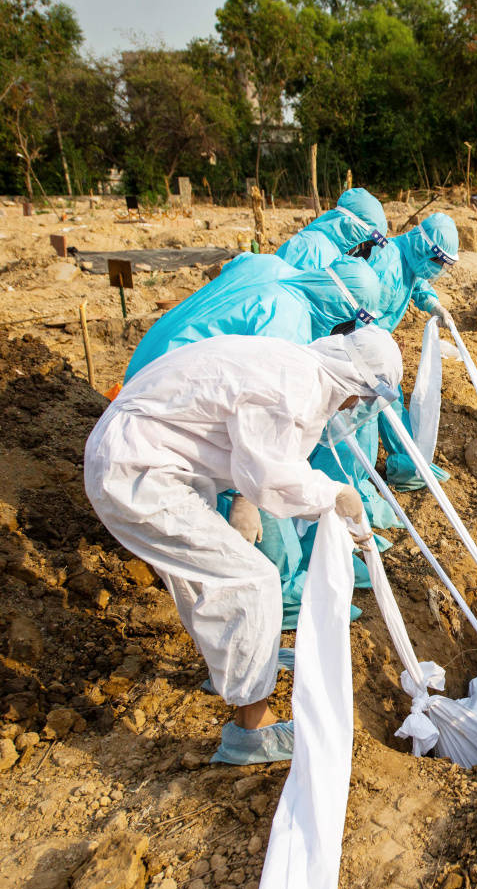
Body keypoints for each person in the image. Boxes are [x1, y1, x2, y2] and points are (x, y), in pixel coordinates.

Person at [85, 325, 402, 764]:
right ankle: (252, 730)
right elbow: (268, 476)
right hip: (139, 470)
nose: (356, 406)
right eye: (362, 397)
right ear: (352, 380)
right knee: (251, 580)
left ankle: (237, 664)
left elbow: (257, 455)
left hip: (150, 458)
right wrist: (330, 494)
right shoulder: (294, 389)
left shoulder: (296, 368)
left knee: (208, 580)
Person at [124, 254, 397, 629]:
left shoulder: (277, 272)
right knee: (255, 507)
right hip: (171, 410)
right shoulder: (286, 322)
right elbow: (261, 444)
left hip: (161, 375)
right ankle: (281, 590)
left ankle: (281, 578)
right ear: (343, 304)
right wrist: (243, 497)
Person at [362, 211, 459, 490]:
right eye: (438, 261)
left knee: (390, 401)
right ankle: (360, 480)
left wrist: (433, 304)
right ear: (424, 247)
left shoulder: (409, 260)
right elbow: (361, 315)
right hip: (363, 347)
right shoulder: (387, 266)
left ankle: (406, 461)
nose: (439, 269)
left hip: (378, 347)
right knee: (368, 415)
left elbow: (418, 284)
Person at [274, 187, 389, 271]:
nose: (364, 254)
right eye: (366, 245)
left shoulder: (328, 249)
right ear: (351, 228)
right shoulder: (315, 253)